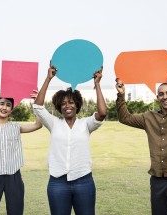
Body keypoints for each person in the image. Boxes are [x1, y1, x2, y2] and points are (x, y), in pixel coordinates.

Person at [115, 70, 167, 215]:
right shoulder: (148, 117)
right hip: (158, 181)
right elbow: (124, 118)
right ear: (157, 97)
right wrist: (121, 95)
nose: (165, 97)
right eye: (161, 94)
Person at [33, 64, 107, 215]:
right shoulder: (54, 123)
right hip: (57, 182)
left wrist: (97, 84)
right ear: (59, 107)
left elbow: (102, 112)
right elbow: (38, 107)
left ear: (77, 105)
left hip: (83, 181)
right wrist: (48, 78)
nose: (67, 106)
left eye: (71, 102)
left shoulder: (86, 124)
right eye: (63, 103)